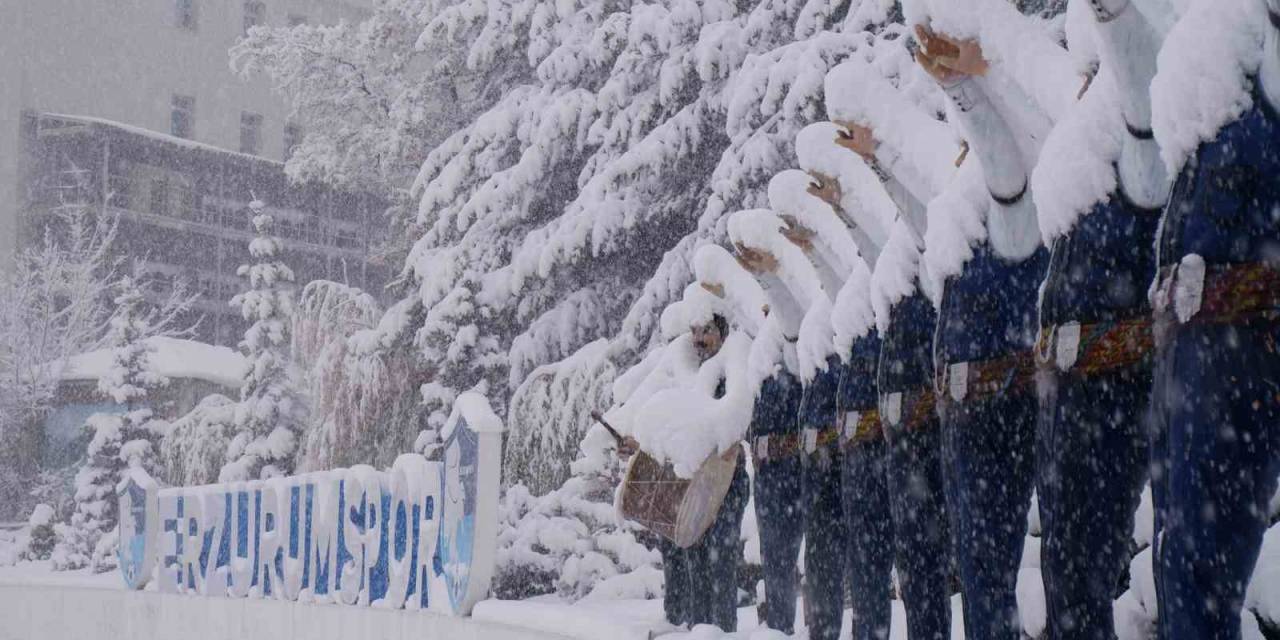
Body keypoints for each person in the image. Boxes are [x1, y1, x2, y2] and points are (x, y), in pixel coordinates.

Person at [913, 13, 1067, 638]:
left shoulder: (1019, 184)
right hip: (965, 410)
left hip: (1006, 398)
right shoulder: (957, 200)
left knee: (1002, 562)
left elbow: (1011, 156)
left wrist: (976, 78)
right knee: (976, 564)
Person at [1030, 0, 1167, 636]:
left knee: (1086, 573)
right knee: (1066, 573)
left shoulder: (1143, 123)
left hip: (1118, 390)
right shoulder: (1081, 153)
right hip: (1069, 400)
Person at [1147, 1, 1280, 637]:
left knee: (1205, 567)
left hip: (1247, 348)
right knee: (1179, 559)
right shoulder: (1210, 48)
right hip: (1184, 356)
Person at [823, 59, 959, 640]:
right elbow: (881, 236)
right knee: (901, 558)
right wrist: (844, 200)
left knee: (926, 561)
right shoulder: (888, 262)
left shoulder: (942, 231)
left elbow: (908, 221)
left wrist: (881, 157)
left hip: (923, 428)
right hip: (893, 440)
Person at [728, 208, 827, 636]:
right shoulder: (758, 349)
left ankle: (813, 626)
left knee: (817, 555)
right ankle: (780, 629)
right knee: (777, 558)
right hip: (768, 471)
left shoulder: (800, 333)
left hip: (799, 461)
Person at [632, 312, 750, 632]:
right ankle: (695, 628)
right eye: (695, 330)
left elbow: (738, 417)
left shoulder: (733, 370)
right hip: (691, 482)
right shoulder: (688, 370)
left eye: (707, 331)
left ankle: (722, 630)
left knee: (719, 559)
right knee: (693, 557)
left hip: (728, 482)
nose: (699, 338)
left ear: (722, 333)